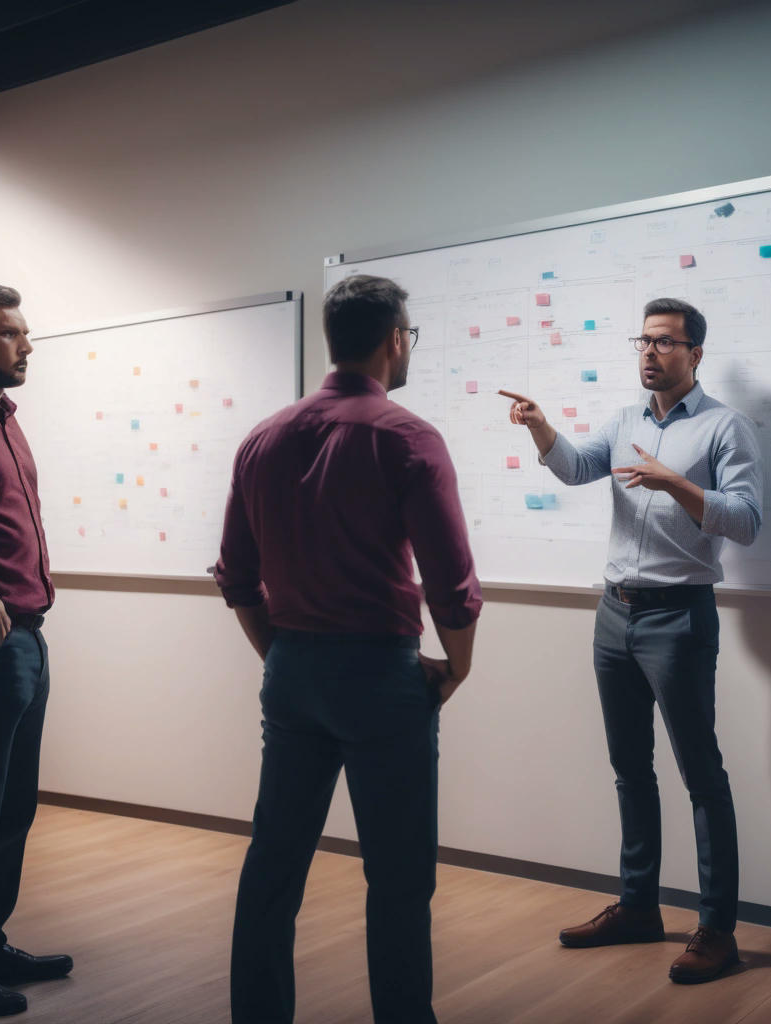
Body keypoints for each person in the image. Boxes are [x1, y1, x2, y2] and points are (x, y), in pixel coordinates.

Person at [216, 274, 481, 1024]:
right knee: (398, 878)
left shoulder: (263, 437)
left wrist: (279, 653)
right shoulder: (407, 437)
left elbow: (236, 576)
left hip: (291, 671)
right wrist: (455, 667)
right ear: (395, 338)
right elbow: (451, 582)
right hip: (380, 675)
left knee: (274, 865)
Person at [501, 297, 763, 984]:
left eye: (666, 343)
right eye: (643, 341)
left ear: (695, 353)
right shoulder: (621, 422)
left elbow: (746, 520)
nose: (650, 353)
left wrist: (675, 481)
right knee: (629, 768)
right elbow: (577, 468)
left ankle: (717, 929)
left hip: (678, 617)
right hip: (615, 615)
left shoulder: (724, 428)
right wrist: (541, 428)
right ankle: (639, 906)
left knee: (702, 777)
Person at [0, 285, 73, 1018]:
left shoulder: (8, 420)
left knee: (15, 805)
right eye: (12, 334)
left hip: (30, 634)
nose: (27, 346)